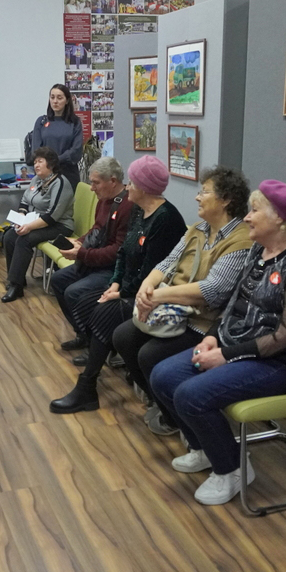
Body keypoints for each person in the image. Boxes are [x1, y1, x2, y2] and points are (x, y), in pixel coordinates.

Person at [150, 181, 286, 505]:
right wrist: (211, 337)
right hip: (236, 346)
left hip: (280, 362)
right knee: (163, 376)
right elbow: (233, 304)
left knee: (192, 394)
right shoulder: (258, 249)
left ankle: (232, 469)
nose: (246, 218)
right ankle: (204, 448)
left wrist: (226, 355)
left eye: (254, 210)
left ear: (279, 218)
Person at [111, 168, 252, 436]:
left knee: (149, 355)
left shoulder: (241, 240)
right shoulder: (198, 230)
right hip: (173, 311)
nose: (198, 197)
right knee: (123, 337)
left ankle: (175, 418)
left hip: (204, 322)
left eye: (204, 192)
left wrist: (155, 296)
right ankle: (161, 401)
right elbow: (167, 263)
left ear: (225, 200)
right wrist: (146, 287)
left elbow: (212, 290)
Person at [49, 155, 185, 414]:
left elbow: (151, 270)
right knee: (89, 302)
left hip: (153, 292)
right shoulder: (139, 210)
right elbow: (124, 254)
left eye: (132, 182)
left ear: (145, 187)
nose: (127, 186)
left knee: (102, 310)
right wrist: (115, 283)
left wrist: (121, 291)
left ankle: (87, 385)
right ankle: (91, 378)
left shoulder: (166, 219)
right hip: (130, 285)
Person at [53, 156, 133, 352]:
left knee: (74, 292)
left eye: (96, 183)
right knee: (58, 280)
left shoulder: (128, 206)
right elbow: (97, 229)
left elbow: (118, 250)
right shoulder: (103, 200)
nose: (92, 188)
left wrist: (82, 254)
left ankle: (97, 342)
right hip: (95, 259)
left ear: (112, 181)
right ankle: (83, 333)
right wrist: (79, 242)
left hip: (113, 269)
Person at [1, 147, 75, 303]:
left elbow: (53, 215)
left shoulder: (60, 183)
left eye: (40, 161)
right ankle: (18, 279)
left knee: (25, 239)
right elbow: (24, 201)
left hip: (59, 225)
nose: (36, 165)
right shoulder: (36, 180)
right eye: (35, 162)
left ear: (51, 164)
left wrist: (28, 227)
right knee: (9, 236)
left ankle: (15, 286)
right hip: (36, 221)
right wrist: (21, 217)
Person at [31, 84, 83, 188]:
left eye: (59, 98)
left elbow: (76, 151)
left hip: (68, 174)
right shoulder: (41, 121)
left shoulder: (75, 122)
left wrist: (55, 160)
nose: (55, 101)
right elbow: (36, 150)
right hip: (46, 173)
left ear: (67, 100)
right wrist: (48, 164)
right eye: (52, 97)